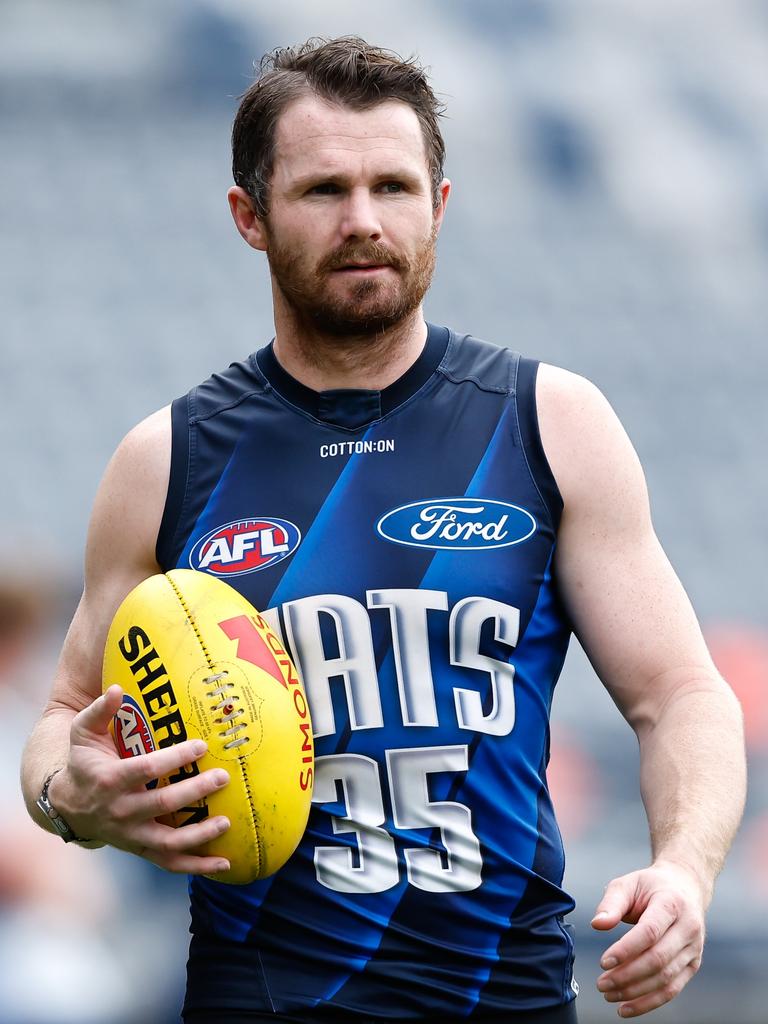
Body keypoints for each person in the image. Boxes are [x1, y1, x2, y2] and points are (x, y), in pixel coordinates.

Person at [21, 36, 746, 1024]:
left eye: (393, 186)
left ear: (438, 206)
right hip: (262, 1000)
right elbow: (64, 718)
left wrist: (685, 869)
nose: (364, 221)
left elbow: (681, 696)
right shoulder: (168, 457)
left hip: (507, 997)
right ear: (250, 216)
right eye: (324, 190)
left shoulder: (550, 422)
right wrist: (72, 795)